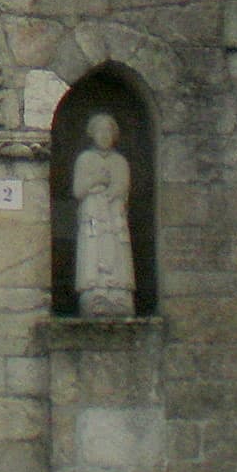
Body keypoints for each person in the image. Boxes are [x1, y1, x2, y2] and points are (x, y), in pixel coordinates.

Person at [71, 112, 135, 318]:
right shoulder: (85, 159)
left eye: (109, 131)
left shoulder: (120, 161)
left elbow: (123, 187)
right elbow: (78, 190)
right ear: (93, 134)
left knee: (117, 252)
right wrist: (95, 180)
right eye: (100, 131)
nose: (105, 135)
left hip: (114, 215)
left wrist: (112, 191)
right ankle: (95, 293)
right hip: (93, 216)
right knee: (93, 252)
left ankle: (118, 294)